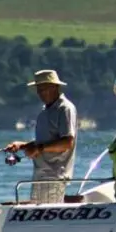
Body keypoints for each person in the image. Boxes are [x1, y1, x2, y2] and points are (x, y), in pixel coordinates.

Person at [5, 69, 77, 203]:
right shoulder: (45, 111)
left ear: (55, 87)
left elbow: (67, 142)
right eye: (38, 90)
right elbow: (45, 141)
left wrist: (39, 148)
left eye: (44, 89)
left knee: (48, 215)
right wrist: (22, 146)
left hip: (54, 176)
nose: (40, 93)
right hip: (40, 175)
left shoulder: (65, 108)